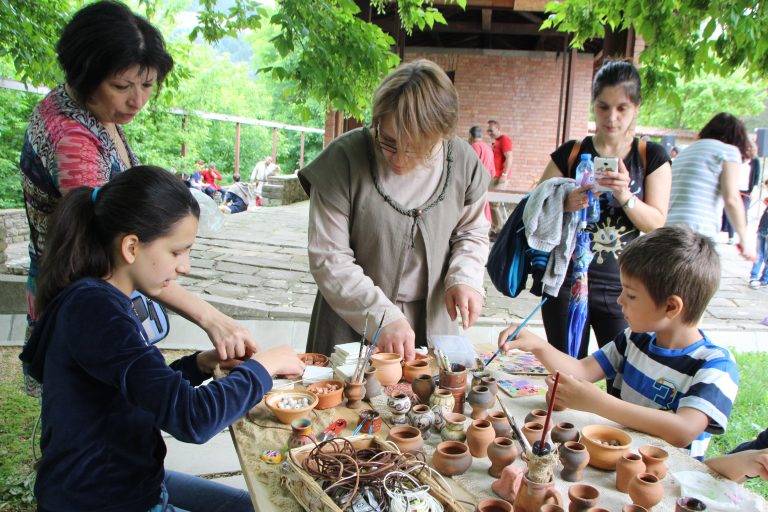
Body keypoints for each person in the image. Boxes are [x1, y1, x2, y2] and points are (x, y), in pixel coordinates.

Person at [19, 166, 305, 512]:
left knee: (250, 506)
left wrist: (201, 363)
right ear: (131, 247)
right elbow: (192, 418)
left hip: (131, 480)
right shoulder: (95, 310)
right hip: (102, 499)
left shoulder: (102, 299)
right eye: (177, 252)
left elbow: (144, 390)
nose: (184, 266)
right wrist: (264, 366)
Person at [18, 2, 255, 396]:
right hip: (84, 305)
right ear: (85, 75)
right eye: (122, 86)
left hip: (99, 297)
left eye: (146, 85)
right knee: (93, 414)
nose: (137, 100)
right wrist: (212, 319)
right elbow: (127, 251)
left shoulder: (96, 111)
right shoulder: (74, 141)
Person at [298, 59, 490, 362]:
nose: (398, 159)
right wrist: (382, 317)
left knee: (432, 406)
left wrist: (465, 278)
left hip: (433, 322)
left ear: (442, 134)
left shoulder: (462, 163)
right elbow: (328, 257)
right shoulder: (343, 160)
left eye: (415, 148)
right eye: (388, 141)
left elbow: (472, 232)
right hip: (351, 322)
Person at [497, 226, 739, 459]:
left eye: (631, 295)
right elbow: (582, 370)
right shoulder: (634, 339)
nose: (620, 300)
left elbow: (683, 431)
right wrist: (538, 345)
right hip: (620, 457)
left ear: (671, 306)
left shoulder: (715, 367)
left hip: (667, 480)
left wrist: (599, 403)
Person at [537, 60, 672, 359]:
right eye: (603, 107)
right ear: (593, 106)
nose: (612, 117)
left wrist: (624, 193)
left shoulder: (651, 156)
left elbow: (656, 224)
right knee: (566, 376)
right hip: (566, 282)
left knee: (623, 380)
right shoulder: (571, 153)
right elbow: (535, 207)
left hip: (627, 288)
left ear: (636, 107)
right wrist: (565, 201)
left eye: (622, 108)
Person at [666, 112, 756, 260]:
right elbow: (732, 198)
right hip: (697, 234)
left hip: (669, 229)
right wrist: (745, 240)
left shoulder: (686, 152)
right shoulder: (728, 151)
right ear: (737, 136)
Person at [721, 154, 760, 244]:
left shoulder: (755, 161)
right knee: (732, 212)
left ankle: (742, 237)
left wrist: (754, 190)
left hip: (747, 192)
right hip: (735, 190)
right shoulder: (735, 158)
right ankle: (731, 237)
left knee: (743, 213)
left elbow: (757, 176)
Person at [487, 120, 513, 236]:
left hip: (500, 177)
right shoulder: (496, 141)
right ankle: (495, 228)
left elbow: (509, 158)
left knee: (494, 203)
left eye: (491, 130)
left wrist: (504, 175)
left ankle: (499, 230)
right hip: (495, 177)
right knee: (491, 202)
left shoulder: (504, 140)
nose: (489, 132)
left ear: (498, 129)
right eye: (488, 130)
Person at [468, 126, 494, 222]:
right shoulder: (488, 148)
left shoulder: (474, 147)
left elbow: (469, 168)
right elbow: (492, 171)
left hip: (475, 185)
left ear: (470, 135)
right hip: (484, 184)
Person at [749, 178, 768, 289]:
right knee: (759, 255)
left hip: (764, 230)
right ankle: (754, 277)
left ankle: (764, 279)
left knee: (765, 257)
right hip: (762, 229)